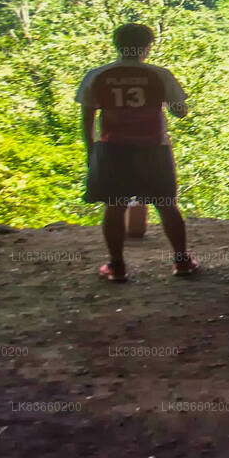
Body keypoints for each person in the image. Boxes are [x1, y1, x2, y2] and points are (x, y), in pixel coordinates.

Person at [77, 23, 196, 281]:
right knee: (166, 205)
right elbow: (180, 111)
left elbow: (87, 116)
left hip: (112, 149)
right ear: (147, 46)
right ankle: (181, 261)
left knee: (115, 206)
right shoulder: (159, 74)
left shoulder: (98, 75)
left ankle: (117, 265)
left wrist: (91, 150)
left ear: (116, 45)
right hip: (153, 149)